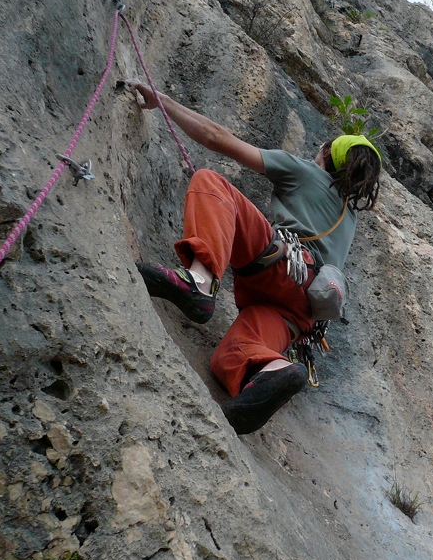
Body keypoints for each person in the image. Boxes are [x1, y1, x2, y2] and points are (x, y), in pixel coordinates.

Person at [128, 82, 382, 435]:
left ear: (326, 156)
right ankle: (274, 370)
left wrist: (164, 101)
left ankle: (199, 283)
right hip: (299, 314)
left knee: (211, 183)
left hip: (282, 267)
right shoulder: (349, 219)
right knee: (229, 357)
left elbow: (217, 137)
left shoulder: (306, 172)